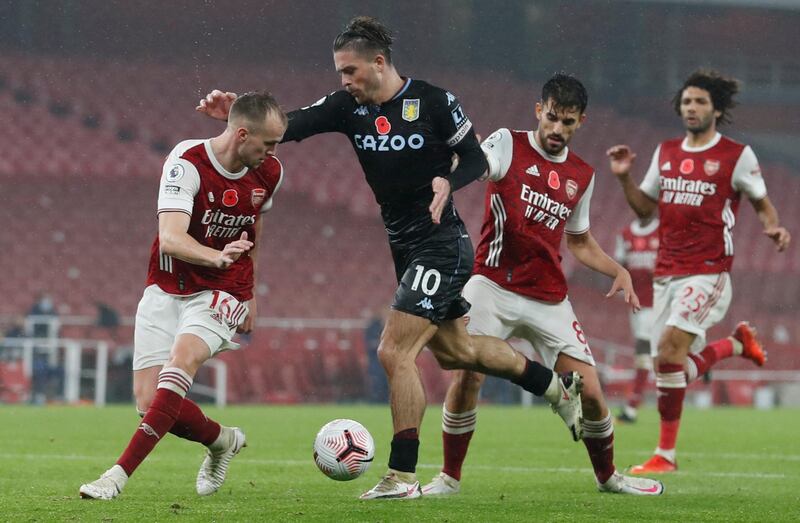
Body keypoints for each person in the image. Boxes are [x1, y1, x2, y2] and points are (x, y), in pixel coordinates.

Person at [197, 16, 583, 500]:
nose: (344, 81)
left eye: (350, 71)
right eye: (340, 72)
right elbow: (290, 125)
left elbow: (478, 161)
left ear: (378, 63)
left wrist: (450, 180)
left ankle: (402, 475)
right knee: (458, 352)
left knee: (393, 350)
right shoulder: (346, 108)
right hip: (404, 244)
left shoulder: (435, 101)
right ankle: (556, 389)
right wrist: (239, 116)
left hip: (441, 242)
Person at [420, 74, 664, 497]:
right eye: (552, 117)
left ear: (580, 122)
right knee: (468, 376)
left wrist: (616, 271)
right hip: (491, 284)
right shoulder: (507, 143)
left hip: (549, 297)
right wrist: (459, 163)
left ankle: (608, 477)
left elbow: (580, 240)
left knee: (590, 393)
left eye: (567, 123)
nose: (557, 129)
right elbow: (479, 165)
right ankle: (449, 478)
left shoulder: (582, 175)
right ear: (539, 110)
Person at [79, 91, 287, 499]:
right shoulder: (186, 162)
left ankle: (117, 476)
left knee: (182, 361)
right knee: (148, 402)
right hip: (167, 284)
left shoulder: (270, 172)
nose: (273, 153)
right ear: (242, 135)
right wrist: (217, 256)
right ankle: (222, 440)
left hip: (222, 290)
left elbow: (254, 231)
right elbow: (171, 239)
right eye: (268, 144)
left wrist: (251, 292)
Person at [606, 69, 791, 474]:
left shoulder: (736, 155)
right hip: (666, 272)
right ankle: (736, 345)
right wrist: (623, 180)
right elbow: (645, 209)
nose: (691, 108)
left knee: (670, 353)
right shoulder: (666, 151)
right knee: (668, 367)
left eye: (700, 102)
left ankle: (665, 456)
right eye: (687, 101)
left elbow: (760, 201)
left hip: (708, 271)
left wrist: (772, 226)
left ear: (716, 109)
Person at [614, 215, 659, 423]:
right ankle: (701, 360)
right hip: (635, 305)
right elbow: (620, 267)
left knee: (643, 353)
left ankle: (631, 408)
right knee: (650, 354)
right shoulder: (625, 235)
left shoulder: (663, 232)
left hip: (657, 304)